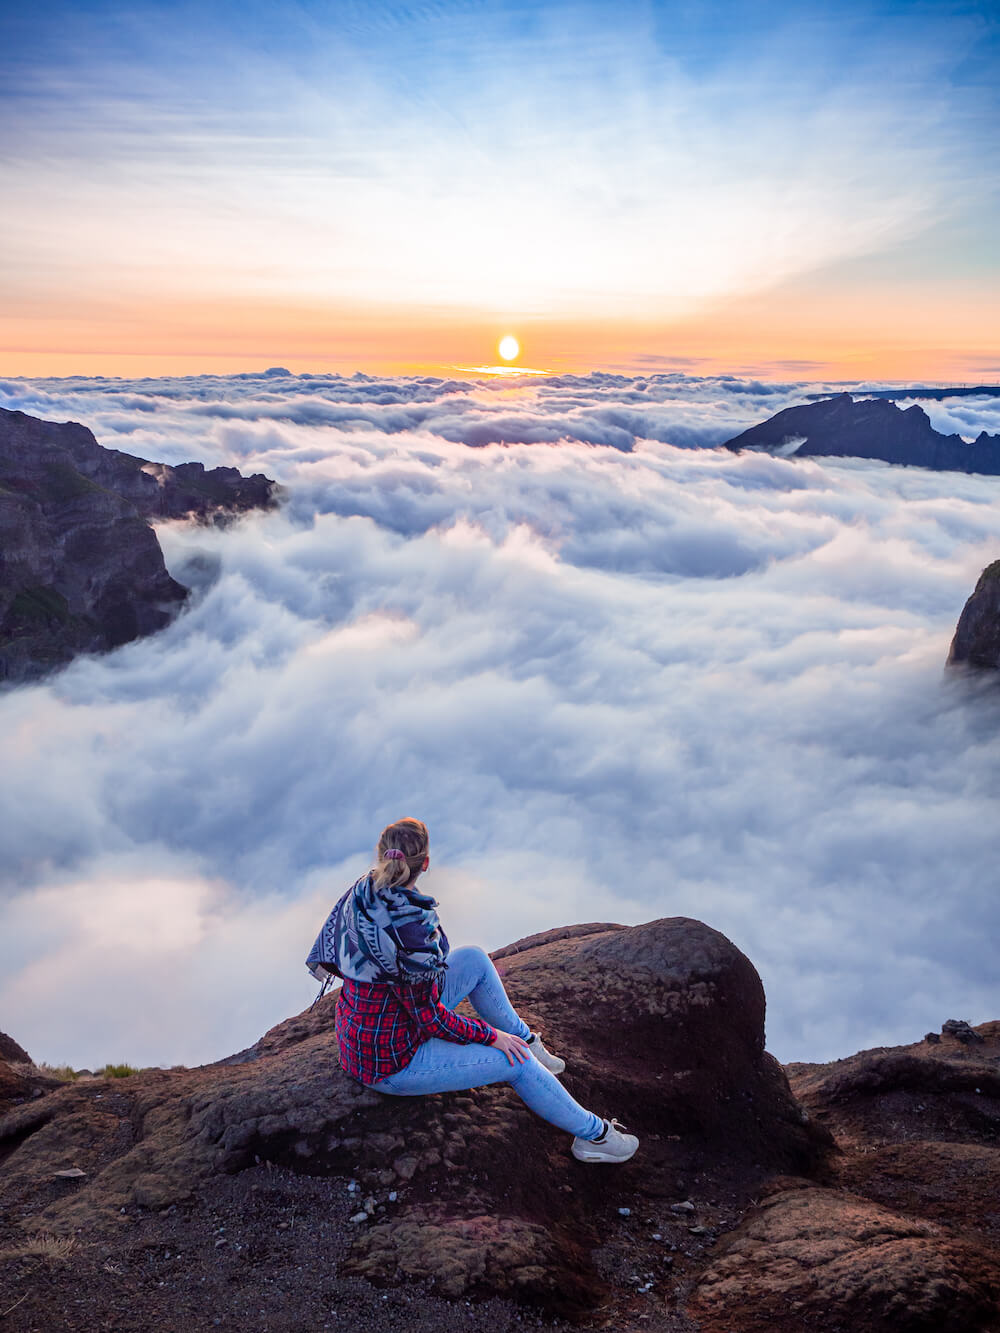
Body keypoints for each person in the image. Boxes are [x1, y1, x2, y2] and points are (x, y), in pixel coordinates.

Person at [306, 816, 638, 1163]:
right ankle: (594, 1137)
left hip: (366, 1031)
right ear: (426, 863)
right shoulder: (412, 934)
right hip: (391, 1062)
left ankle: (526, 1039)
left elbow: (330, 951)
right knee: (517, 1063)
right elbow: (431, 1021)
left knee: (475, 960)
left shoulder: (362, 891)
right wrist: (492, 1037)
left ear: (382, 857)